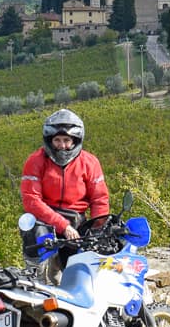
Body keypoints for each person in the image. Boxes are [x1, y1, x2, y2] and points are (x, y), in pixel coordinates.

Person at [20, 108, 110, 282]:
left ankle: (58, 271)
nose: (62, 145)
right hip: (45, 217)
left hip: (76, 218)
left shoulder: (89, 162)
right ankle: (35, 278)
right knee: (33, 230)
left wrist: (98, 229)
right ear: (49, 140)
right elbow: (31, 200)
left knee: (76, 272)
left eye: (66, 140)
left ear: (75, 140)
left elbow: (99, 199)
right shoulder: (35, 161)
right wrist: (63, 226)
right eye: (57, 140)